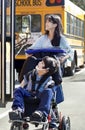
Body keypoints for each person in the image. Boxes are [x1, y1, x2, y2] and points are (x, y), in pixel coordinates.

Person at [19, 14, 74, 82]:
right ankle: (24, 80)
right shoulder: (43, 38)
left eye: (48, 22)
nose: (46, 23)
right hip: (42, 63)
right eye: (46, 22)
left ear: (55, 25)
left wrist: (64, 58)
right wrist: (29, 53)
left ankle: (57, 81)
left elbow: (70, 52)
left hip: (54, 65)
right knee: (31, 59)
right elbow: (32, 48)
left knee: (53, 59)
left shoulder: (62, 39)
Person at [10, 56, 60, 122]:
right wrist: (19, 91)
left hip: (39, 98)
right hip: (29, 95)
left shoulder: (49, 81)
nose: (39, 62)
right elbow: (21, 85)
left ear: (46, 70)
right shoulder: (30, 75)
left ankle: (41, 113)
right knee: (18, 90)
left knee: (48, 91)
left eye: (42, 63)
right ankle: (17, 110)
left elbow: (49, 95)